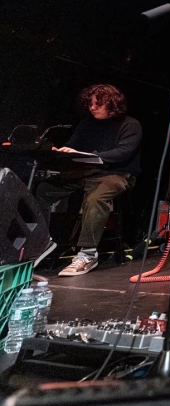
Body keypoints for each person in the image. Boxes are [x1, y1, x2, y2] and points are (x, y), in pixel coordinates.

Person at [37, 84, 142, 276]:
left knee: (95, 198)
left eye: (97, 104)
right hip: (85, 172)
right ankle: (40, 242)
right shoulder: (86, 124)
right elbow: (72, 146)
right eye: (90, 104)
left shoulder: (130, 124)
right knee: (43, 189)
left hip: (116, 173)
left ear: (113, 104)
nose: (92, 108)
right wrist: (62, 151)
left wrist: (90, 155)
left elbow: (123, 152)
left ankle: (87, 253)